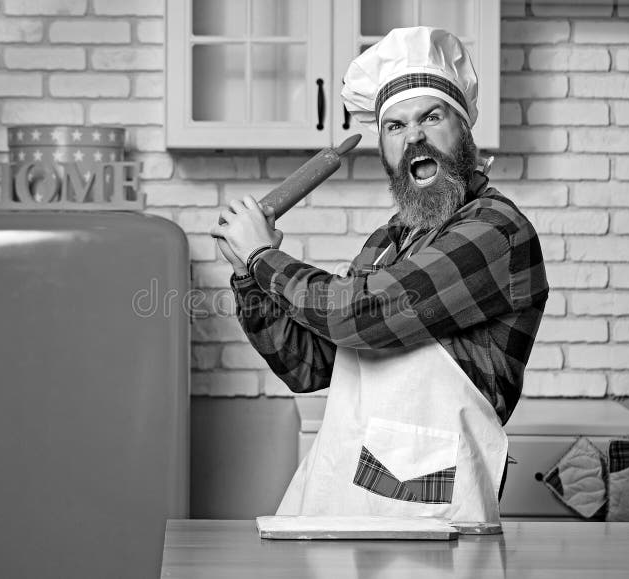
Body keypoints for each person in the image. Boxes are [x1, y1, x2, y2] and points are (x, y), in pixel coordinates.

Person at [209, 27, 548, 526]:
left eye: (431, 117)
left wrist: (263, 257)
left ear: (465, 132)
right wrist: (247, 278)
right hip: (345, 488)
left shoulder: (495, 231)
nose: (414, 137)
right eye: (394, 126)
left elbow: (363, 313)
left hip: (434, 512)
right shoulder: (388, 241)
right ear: (386, 152)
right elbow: (308, 366)